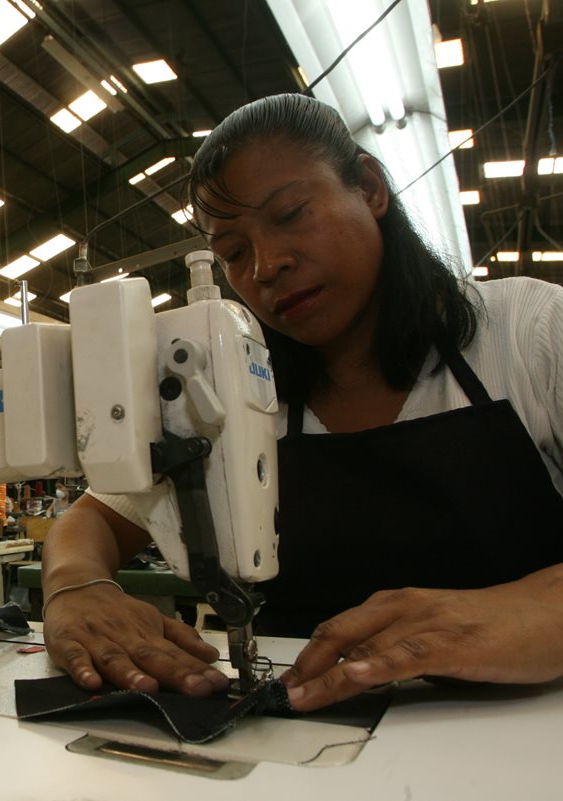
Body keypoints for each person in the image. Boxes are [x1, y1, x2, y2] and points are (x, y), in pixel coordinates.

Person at [42, 93, 563, 714]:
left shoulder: (530, 330)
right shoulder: (227, 390)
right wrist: (75, 584)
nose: (266, 266)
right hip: (303, 727)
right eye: (234, 253)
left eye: (291, 215)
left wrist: (536, 609)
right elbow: (94, 519)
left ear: (369, 188)